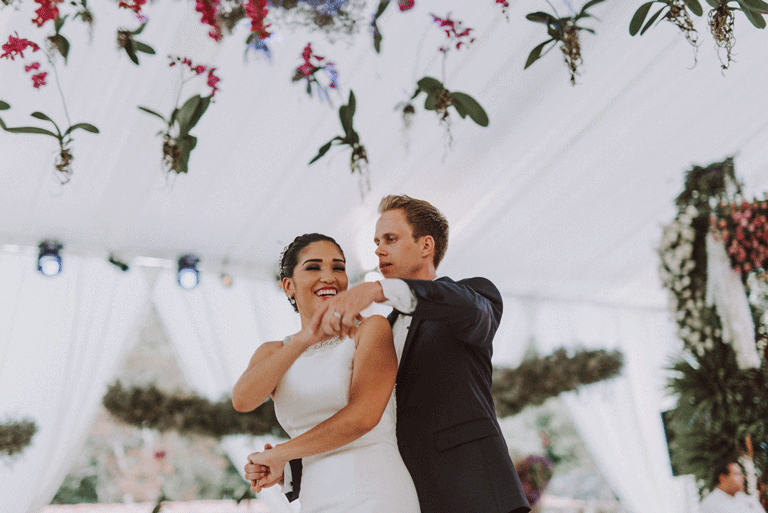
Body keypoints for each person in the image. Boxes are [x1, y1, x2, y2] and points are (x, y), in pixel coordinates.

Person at [248, 195, 530, 513]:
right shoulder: (381, 329)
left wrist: (379, 289)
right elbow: (384, 424)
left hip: (480, 496)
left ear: (426, 245)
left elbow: (469, 308)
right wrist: (288, 467)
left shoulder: (471, 300)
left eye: (390, 239)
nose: (379, 250)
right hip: (413, 498)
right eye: (377, 242)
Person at [233, 233, 420, 513]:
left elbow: (361, 418)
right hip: (315, 497)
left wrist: (280, 454)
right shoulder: (274, 352)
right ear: (288, 286)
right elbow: (243, 400)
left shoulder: (371, 329)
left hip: (376, 491)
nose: (329, 277)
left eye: (338, 267)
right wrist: (304, 339)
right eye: (313, 267)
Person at [700, 460, 765, 513]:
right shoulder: (710, 504)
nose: (742, 477)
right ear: (723, 478)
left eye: (741, 474)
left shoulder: (747, 499)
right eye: (737, 474)